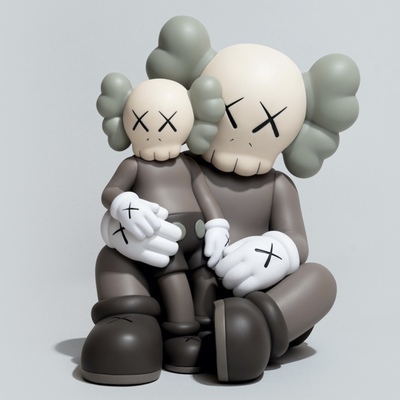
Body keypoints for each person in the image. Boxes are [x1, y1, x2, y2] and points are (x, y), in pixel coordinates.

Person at [145, 16, 360, 382]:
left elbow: (296, 240)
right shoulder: (182, 167)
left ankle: (251, 331)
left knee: (321, 280)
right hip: (183, 289)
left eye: (270, 123)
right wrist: (127, 221)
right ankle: (217, 333)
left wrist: (277, 252)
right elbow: (146, 195)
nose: (244, 134)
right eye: (228, 113)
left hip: (253, 295)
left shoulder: (279, 186)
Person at [81, 74, 229, 385]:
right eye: (141, 121)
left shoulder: (189, 164)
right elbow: (110, 192)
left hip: (199, 238)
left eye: (168, 122)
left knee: (205, 279)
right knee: (175, 283)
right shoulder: (133, 165)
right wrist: (123, 203)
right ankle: (180, 336)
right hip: (160, 238)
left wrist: (217, 224)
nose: (155, 130)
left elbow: (205, 196)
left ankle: (208, 329)